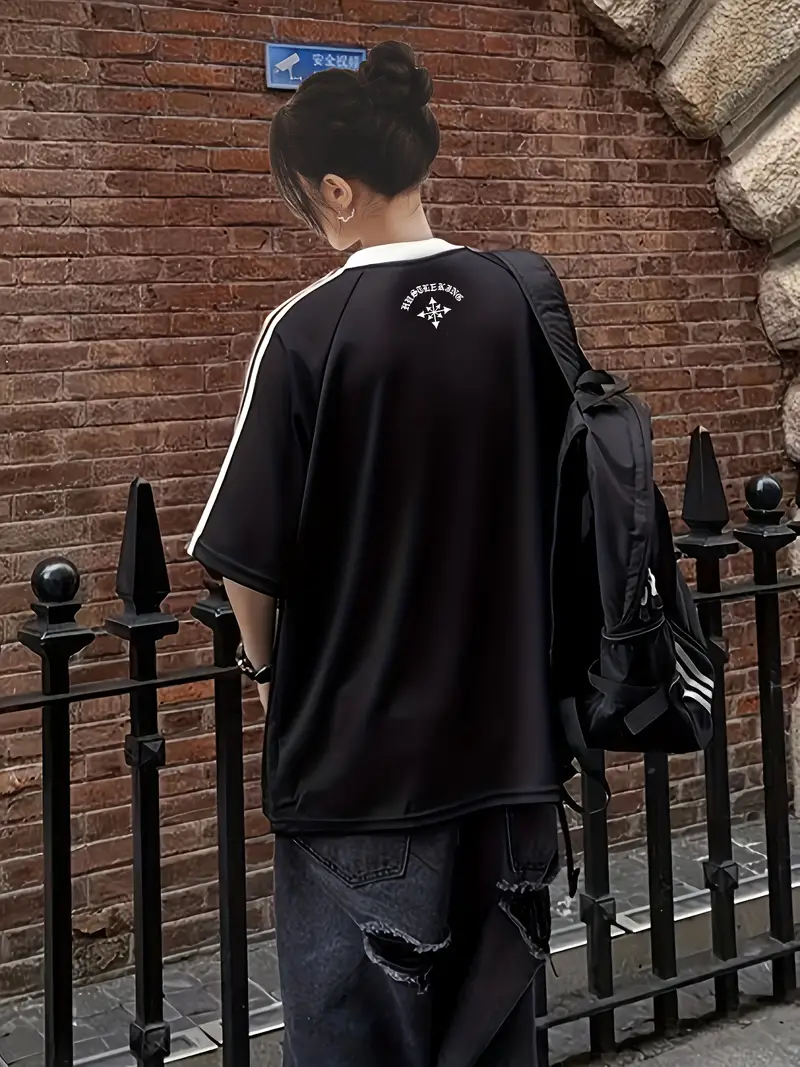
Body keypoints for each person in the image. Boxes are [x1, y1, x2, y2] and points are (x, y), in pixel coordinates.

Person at [188, 40, 568, 1067]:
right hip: (513, 759)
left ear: (337, 189)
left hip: (361, 774)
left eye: (302, 196)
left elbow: (245, 558)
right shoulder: (521, 300)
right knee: (495, 1041)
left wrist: (267, 671)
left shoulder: (308, 329)